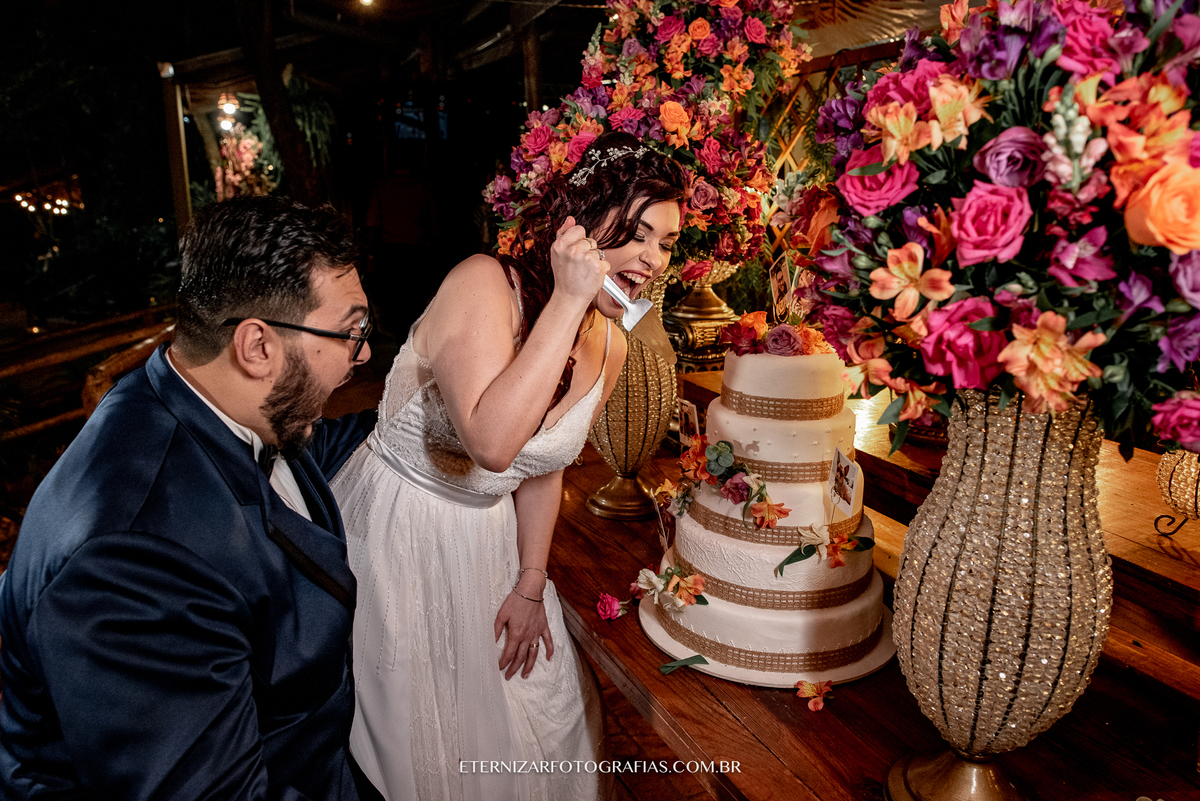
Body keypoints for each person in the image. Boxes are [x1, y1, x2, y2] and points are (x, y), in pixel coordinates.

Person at [332, 131, 686, 800]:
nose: (652, 258)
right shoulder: (483, 284)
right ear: (579, 223)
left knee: (537, 719)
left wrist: (529, 583)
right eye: (638, 232)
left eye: (665, 242)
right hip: (401, 532)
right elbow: (494, 443)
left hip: (493, 540)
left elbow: (542, 465)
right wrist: (568, 297)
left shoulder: (610, 342)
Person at [0, 197, 384, 800]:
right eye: (350, 332)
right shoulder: (133, 557)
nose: (362, 356)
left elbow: (308, 459)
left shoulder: (200, 396)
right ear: (257, 346)